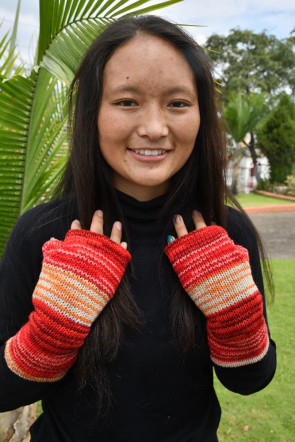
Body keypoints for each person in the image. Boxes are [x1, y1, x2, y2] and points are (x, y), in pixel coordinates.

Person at [0, 15, 276, 441]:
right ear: (92, 112)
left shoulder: (225, 230)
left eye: (177, 103)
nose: (153, 127)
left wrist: (233, 313)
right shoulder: (43, 233)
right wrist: (52, 332)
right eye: (127, 102)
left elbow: (249, 380)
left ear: (202, 114)